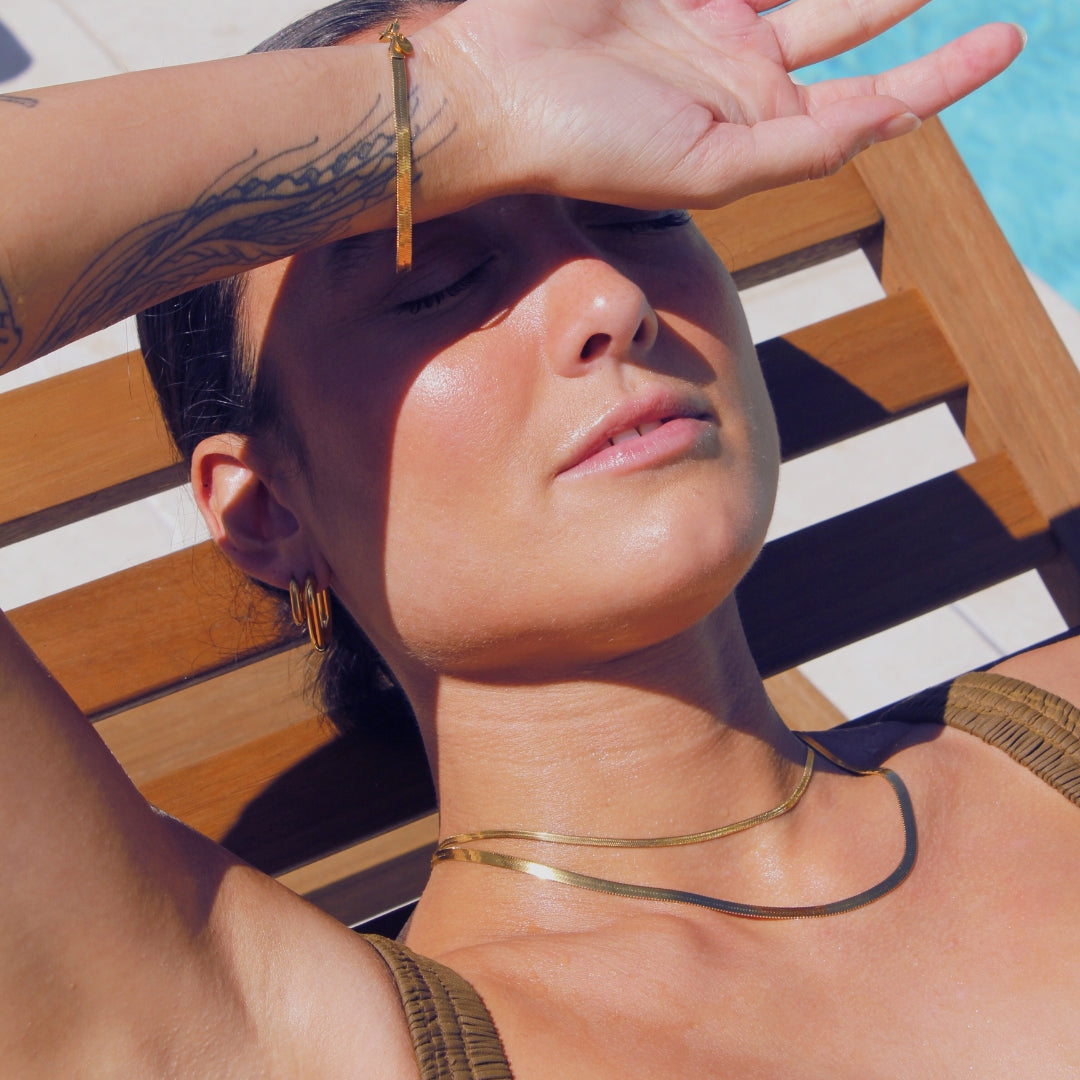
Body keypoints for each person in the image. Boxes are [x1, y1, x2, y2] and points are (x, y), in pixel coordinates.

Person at [1, 0, 1076, 1076]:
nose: (608, 296)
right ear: (269, 509)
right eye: (433, 281)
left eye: (638, 217)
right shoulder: (266, 1037)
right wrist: (454, 99)